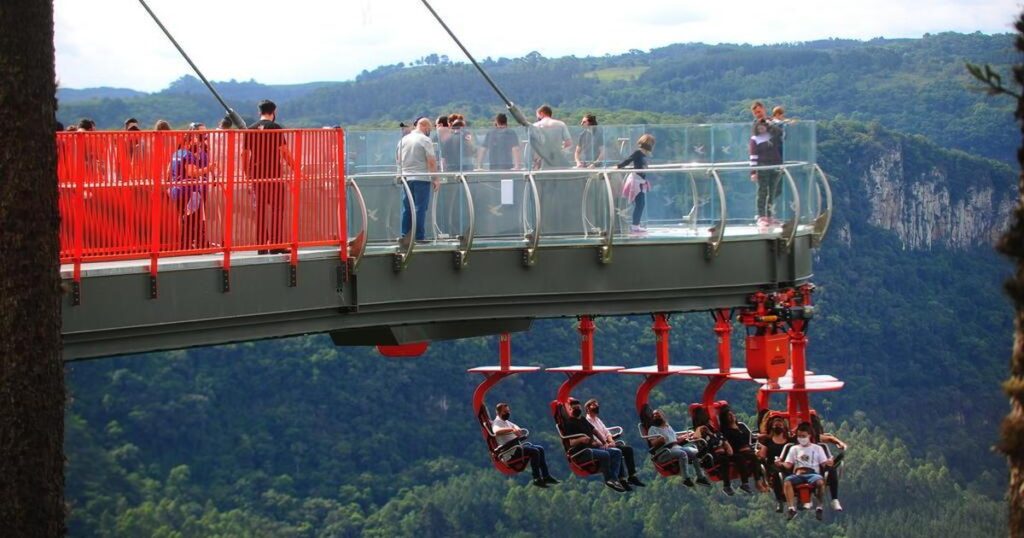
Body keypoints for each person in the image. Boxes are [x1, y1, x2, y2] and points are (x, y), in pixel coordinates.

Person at [243, 99, 296, 255]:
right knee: (277, 210)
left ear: (259, 111)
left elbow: (244, 154)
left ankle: (261, 246)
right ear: (274, 111)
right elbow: (284, 152)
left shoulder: (250, 129)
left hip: (256, 176)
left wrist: (247, 174)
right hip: (273, 175)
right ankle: (275, 244)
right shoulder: (275, 127)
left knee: (259, 211)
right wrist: (297, 170)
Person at [560, 398, 628, 492]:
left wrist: (605, 442)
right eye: (574, 408)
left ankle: (615, 479)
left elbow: (595, 431)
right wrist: (581, 439)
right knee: (605, 455)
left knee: (617, 452)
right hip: (582, 452)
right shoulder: (569, 423)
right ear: (570, 410)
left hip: (593, 448)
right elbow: (571, 442)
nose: (577, 409)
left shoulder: (583, 419)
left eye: (578, 407)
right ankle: (608, 479)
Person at [492, 403, 559, 488]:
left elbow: (514, 425)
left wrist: (517, 429)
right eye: (505, 412)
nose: (507, 413)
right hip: (511, 452)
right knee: (534, 452)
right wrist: (512, 430)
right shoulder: (497, 423)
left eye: (508, 411)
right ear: (498, 413)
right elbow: (496, 431)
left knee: (540, 449)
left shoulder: (505, 422)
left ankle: (546, 476)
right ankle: (536, 478)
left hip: (516, 448)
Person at [169, 126, 215, 250]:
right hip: (188, 191)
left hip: (175, 190)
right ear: (188, 142)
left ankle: (185, 244)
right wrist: (208, 169)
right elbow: (191, 172)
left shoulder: (175, 154)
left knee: (183, 217)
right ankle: (187, 245)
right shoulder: (188, 155)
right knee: (191, 219)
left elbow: (168, 172)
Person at [584, 398, 645, 487]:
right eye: (594, 405)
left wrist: (611, 441)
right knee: (617, 451)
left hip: (607, 443)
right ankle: (621, 478)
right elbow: (592, 438)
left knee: (628, 450)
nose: (596, 406)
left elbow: (606, 432)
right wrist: (605, 444)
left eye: (597, 405)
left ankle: (632, 476)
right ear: (587, 408)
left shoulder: (597, 420)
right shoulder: (587, 421)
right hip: (600, 446)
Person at [396, 117, 438, 244]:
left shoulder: (403, 140)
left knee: (407, 207)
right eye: (429, 128)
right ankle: (419, 236)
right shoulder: (425, 140)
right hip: (422, 178)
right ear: (424, 126)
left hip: (406, 178)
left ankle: (405, 235)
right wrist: (435, 178)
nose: (429, 131)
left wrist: (400, 175)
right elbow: (431, 161)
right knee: (420, 207)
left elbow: (398, 159)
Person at [779, 422, 832, 521]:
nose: (801, 438)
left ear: (809, 436)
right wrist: (780, 463)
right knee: (787, 481)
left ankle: (819, 507)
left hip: (812, 474)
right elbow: (788, 464)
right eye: (799, 436)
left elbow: (824, 464)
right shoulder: (794, 448)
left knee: (820, 482)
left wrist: (829, 462)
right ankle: (791, 509)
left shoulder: (817, 448)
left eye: (803, 436)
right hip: (798, 474)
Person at [646, 409, 710, 488]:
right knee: (682, 454)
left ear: (663, 416)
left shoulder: (668, 427)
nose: (656, 417)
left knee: (696, 453)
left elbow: (675, 439)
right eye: (654, 416)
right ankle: (686, 479)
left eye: (658, 415)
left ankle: (700, 477)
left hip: (676, 447)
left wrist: (687, 436)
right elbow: (653, 443)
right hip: (664, 452)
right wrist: (660, 440)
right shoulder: (653, 429)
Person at [718, 407, 764, 495]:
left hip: (747, 449)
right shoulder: (725, 431)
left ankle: (759, 480)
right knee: (741, 458)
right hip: (736, 451)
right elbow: (728, 443)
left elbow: (750, 437)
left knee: (755, 457)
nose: (731, 416)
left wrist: (758, 440)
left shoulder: (741, 426)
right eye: (728, 416)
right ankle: (745, 483)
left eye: (732, 414)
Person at [749, 118, 783, 228]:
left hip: (775, 166)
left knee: (773, 191)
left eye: (763, 125)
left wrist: (771, 124)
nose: (761, 128)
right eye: (759, 126)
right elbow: (753, 156)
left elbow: (781, 133)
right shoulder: (755, 139)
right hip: (762, 167)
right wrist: (753, 172)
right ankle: (761, 216)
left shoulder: (772, 136)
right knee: (762, 191)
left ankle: (770, 215)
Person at [617, 133, 655, 233]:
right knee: (640, 203)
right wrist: (618, 166)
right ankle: (634, 225)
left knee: (640, 203)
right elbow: (628, 160)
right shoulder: (638, 153)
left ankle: (635, 224)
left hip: (641, 181)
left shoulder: (645, 154)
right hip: (636, 180)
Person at [758, 414, 793, 513]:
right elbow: (762, 455)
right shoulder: (768, 441)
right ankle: (779, 500)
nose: (778, 426)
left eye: (780, 424)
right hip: (773, 466)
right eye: (776, 425)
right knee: (778, 474)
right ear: (772, 427)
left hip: (788, 464)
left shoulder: (790, 441)